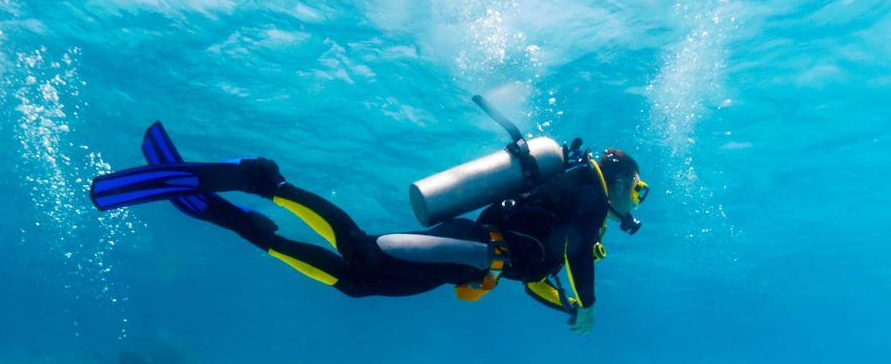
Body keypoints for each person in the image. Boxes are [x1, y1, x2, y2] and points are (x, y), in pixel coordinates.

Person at [90, 107, 648, 335]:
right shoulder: (589, 193)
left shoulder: (578, 207)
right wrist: (591, 305)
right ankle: (267, 181)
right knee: (360, 251)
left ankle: (248, 227)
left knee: (358, 283)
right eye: (639, 190)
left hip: (468, 262)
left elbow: (544, 275)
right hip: (470, 247)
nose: (637, 201)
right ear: (619, 179)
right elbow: (570, 258)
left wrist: (571, 306)